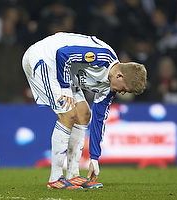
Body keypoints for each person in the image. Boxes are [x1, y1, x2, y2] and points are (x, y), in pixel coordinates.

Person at [22, 32, 147, 189]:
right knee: (68, 114)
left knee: (84, 114)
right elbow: (63, 54)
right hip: (43, 59)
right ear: (120, 76)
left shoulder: (109, 88)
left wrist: (94, 158)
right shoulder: (101, 57)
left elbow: (99, 120)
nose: (122, 93)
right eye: (124, 89)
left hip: (63, 71)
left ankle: (73, 175)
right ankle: (55, 178)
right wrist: (65, 89)